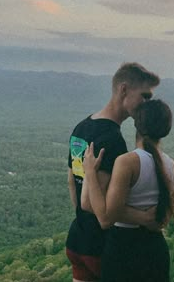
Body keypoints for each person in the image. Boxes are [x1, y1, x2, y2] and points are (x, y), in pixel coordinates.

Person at [66, 62, 161, 282]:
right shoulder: (113, 140)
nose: (147, 104)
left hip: (77, 240)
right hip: (100, 248)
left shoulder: (83, 126)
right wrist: (143, 217)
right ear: (124, 90)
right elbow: (90, 203)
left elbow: (72, 181)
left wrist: (83, 223)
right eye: (144, 96)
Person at [82, 99, 174, 282]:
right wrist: (144, 217)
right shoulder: (172, 166)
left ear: (136, 123)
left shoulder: (128, 162)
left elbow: (104, 218)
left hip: (123, 248)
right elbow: (164, 218)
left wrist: (90, 173)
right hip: (156, 249)